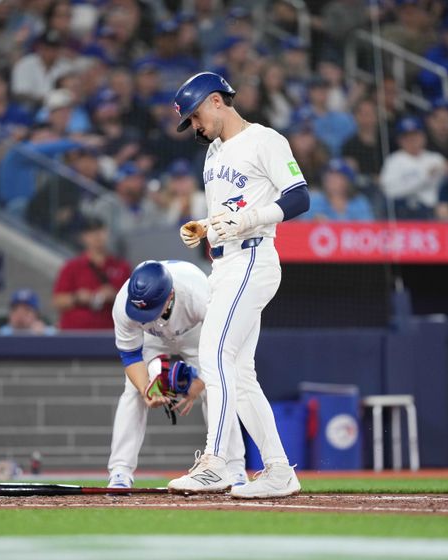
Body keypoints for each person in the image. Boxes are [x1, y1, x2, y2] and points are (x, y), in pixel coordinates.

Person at [169, 71, 310, 499]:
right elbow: (230, 211)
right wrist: (207, 226)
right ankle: (278, 470)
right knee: (240, 374)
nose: (195, 126)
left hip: (253, 258)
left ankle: (216, 463)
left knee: (213, 355)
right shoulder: (213, 153)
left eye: (195, 116)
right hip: (225, 264)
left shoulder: (265, 139)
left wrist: (247, 219)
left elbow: (299, 197)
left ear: (215, 101)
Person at [107, 260, 247, 489]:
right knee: (132, 391)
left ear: (170, 296)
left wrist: (199, 383)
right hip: (152, 340)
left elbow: (225, 350)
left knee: (217, 390)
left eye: (150, 310)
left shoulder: (198, 295)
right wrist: (146, 389)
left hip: (198, 335)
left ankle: (234, 469)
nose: (144, 315)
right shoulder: (124, 304)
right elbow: (131, 356)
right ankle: (120, 472)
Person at [52, 217, 131, 330]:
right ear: (83, 237)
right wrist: (77, 298)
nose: (96, 236)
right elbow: (57, 301)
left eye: (100, 231)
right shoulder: (72, 267)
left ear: (106, 233)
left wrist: (115, 296)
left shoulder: (121, 266)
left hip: (110, 331)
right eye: (91, 232)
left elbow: (134, 301)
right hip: (76, 333)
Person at [379, 116, 447, 220]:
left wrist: (407, 182)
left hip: (431, 212)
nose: (412, 140)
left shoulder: (436, 159)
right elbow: (389, 190)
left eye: (415, 135)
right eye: (407, 137)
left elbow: (438, 187)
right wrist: (425, 176)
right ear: (400, 140)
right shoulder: (393, 161)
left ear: (423, 137)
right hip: (402, 212)